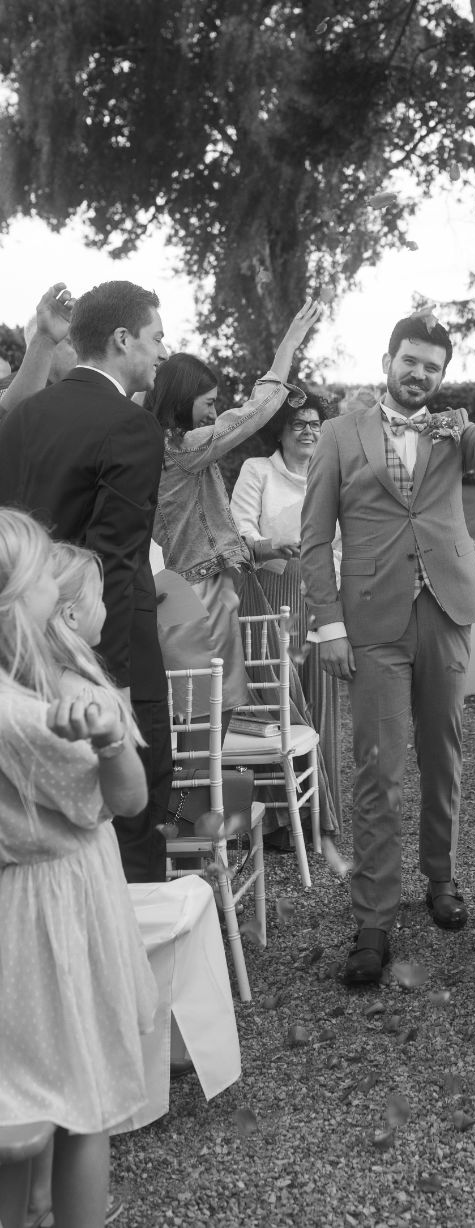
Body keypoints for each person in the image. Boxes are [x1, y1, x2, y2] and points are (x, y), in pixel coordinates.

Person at [300, 308, 475, 984]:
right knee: (377, 765)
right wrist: (330, 625)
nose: (420, 374)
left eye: (433, 366)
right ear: (390, 359)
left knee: (444, 755)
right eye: (411, 361)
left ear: (443, 374)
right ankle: (372, 916)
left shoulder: (455, 432)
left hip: (446, 610)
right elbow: (313, 541)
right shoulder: (338, 436)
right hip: (371, 623)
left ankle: (442, 877)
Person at [0, 512, 156, 1228]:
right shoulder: (34, 716)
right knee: (79, 1097)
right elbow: (124, 799)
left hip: (27, 911)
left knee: (25, 1096)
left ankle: (33, 1209)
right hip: (48, 916)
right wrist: (111, 737)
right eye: (37, 577)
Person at [0, 280, 171, 880]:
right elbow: (117, 561)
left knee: (38, 818)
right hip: (100, 652)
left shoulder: (21, 418)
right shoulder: (130, 425)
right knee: (132, 820)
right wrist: (114, 685)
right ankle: (136, 963)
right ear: (122, 340)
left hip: (18, 655)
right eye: (155, 338)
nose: (161, 352)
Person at [149, 300, 321, 717]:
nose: (212, 411)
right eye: (207, 402)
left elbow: (204, 530)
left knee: (212, 717)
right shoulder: (181, 448)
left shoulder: (171, 450)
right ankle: (203, 786)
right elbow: (251, 414)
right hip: (198, 596)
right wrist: (289, 346)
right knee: (204, 717)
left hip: (198, 590)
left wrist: (263, 549)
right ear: (180, 399)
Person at [230, 391, 343, 829]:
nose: (309, 431)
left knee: (317, 699)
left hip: (318, 595)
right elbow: (239, 529)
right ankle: (277, 822)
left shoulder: (329, 472)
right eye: (299, 423)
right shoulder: (257, 470)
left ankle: (319, 815)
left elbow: (343, 539)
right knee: (276, 703)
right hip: (267, 593)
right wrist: (270, 544)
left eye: (316, 424)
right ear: (279, 429)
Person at [0, 283, 77, 423]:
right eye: (71, 342)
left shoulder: (75, 391)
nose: (80, 351)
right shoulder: (8, 388)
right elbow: (14, 426)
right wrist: (45, 339)